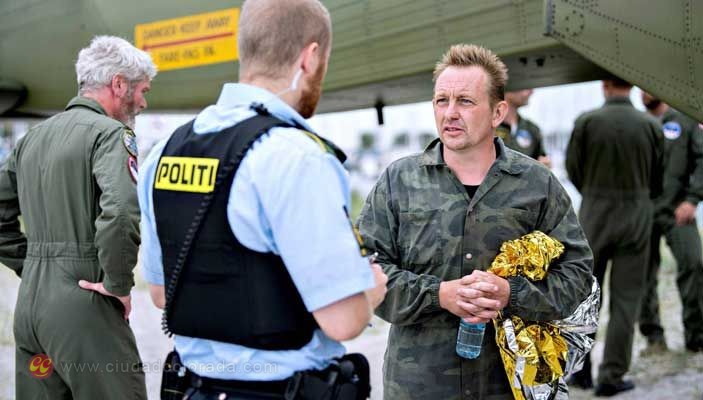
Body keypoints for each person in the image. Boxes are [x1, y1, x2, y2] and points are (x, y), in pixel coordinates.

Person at [137, 0, 388, 399]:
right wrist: (372, 290)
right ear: (310, 57)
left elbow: (162, 293)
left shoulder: (166, 149)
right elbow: (343, 321)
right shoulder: (297, 156)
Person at [357, 43, 593, 400]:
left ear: (498, 112)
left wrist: (511, 294)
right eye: (441, 101)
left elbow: (576, 276)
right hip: (419, 386)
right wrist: (439, 295)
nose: (450, 113)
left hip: (506, 385)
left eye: (465, 101)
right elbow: (364, 272)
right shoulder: (398, 181)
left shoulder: (537, 184)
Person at [0, 36, 155, 399]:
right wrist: (117, 284)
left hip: (30, 310)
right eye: (142, 90)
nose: (144, 102)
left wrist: (35, 266)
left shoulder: (31, 139)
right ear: (119, 84)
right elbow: (119, 212)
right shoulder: (110, 134)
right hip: (85, 305)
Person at [565, 78, 665, 396]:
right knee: (626, 300)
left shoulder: (587, 122)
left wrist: (594, 194)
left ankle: (580, 371)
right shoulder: (650, 125)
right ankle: (612, 376)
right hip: (636, 215)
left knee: (586, 298)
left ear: (605, 86)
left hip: (595, 214)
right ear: (633, 87)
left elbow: (573, 168)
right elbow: (658, 176)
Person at [639, 92, 703, 354]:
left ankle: (696, 336)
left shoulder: (685, 121)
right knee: (643, 276)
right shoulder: (638, 123)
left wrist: (693, 199)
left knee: (694, 264)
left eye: (648, 87)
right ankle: (654, 337)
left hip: (678, 209)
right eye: (639, 88)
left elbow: (701, 160)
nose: (645, 93)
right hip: (642, 213)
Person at [496, 89, 551, 167]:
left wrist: (544, 165)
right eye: (525, 87)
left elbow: (542, 160)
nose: (531, 92)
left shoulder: (532, 129)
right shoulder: (487, 126)